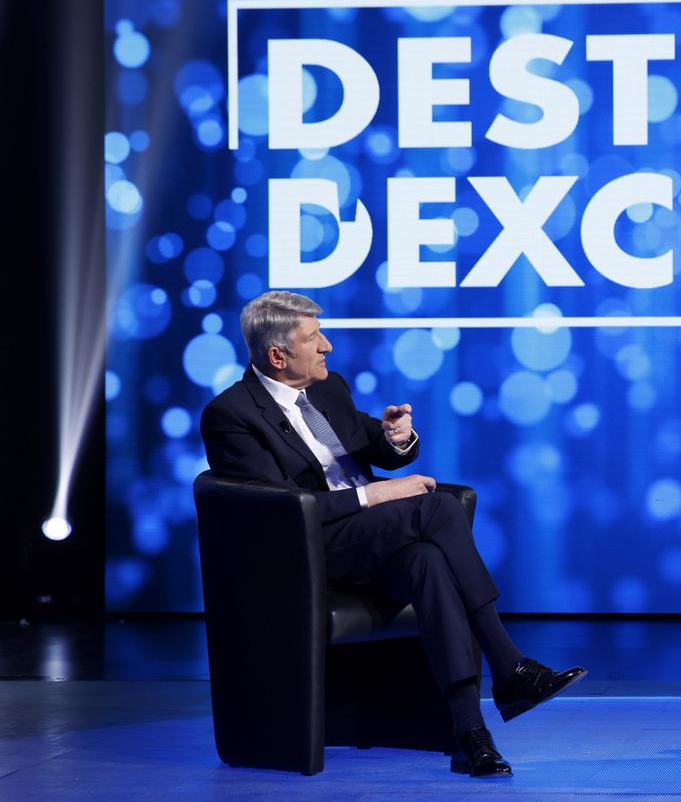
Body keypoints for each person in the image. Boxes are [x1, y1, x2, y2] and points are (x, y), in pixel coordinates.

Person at [200, 290, 585, 778]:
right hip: (308, 550)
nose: (327, 346)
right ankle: (509, 666)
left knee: (429, 562)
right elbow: (277, 512)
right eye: (313, 338)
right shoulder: (232, 415)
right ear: (278, 356)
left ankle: (470, 734)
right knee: (438, 508)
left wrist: (396, 438)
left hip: (369, 539)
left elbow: (371, 445)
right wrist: (375, 495)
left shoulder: (328, 389)